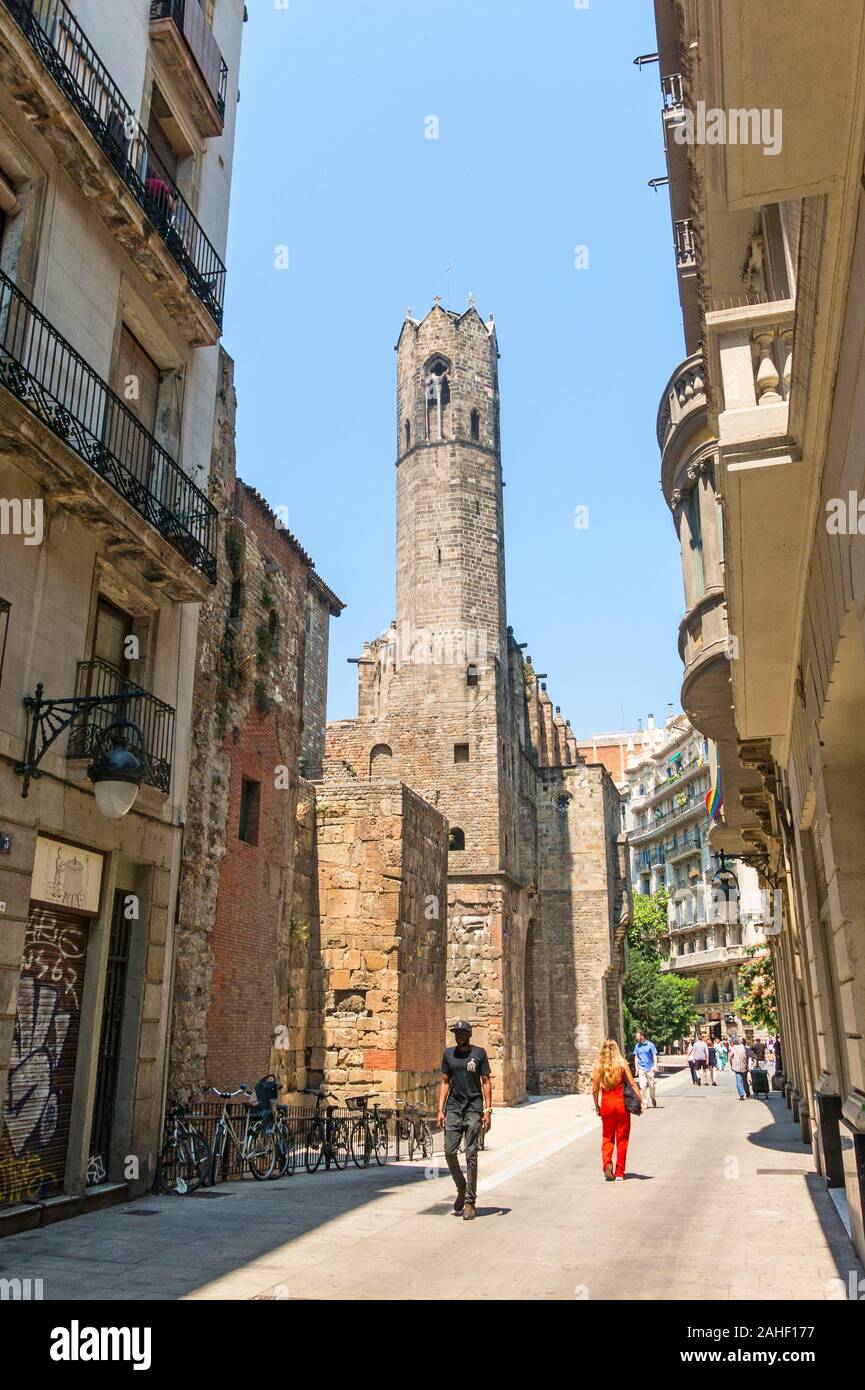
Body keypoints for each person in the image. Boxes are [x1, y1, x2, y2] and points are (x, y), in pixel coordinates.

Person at [437, 1020, 492, 1221]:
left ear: (469, 1034)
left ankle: (470, 1201)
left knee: (471, 1154)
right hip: (453, 1108)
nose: (459, 1035)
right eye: (456, 1033)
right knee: (449, 1151)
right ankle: (461, 1186)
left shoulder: (479, 1054)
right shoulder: (448, 1054)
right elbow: (444, 1082)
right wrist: (440, 1109)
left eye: (462, 1033)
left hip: (474, 1108)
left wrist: (487, 1110)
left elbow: (486, 1082)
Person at [592, 1039, 641, 1181]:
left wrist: (597, 1106)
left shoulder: (598, 1065)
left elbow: (595, 1089)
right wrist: (639, 1101)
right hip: (621, 1103)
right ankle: (620, 1172)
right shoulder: (622, 1063)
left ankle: (607, 1162)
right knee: (622, 1138)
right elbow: (632, 1083)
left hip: (606, 1103)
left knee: (607, 1137)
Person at [633, 1028, 658, 1109]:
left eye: (637, 1036)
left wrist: (655, 1065)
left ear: (642, 1036)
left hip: (650, 1068)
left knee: (652, 1086)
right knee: (642, 1086)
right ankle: (645, 1102)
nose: (636, 1038)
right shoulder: (637, 1046)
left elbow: (654, 1055)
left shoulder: (650, 1045)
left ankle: (652, 1097)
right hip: (641, 1069)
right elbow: (636, 1056)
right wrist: (636, 1068)